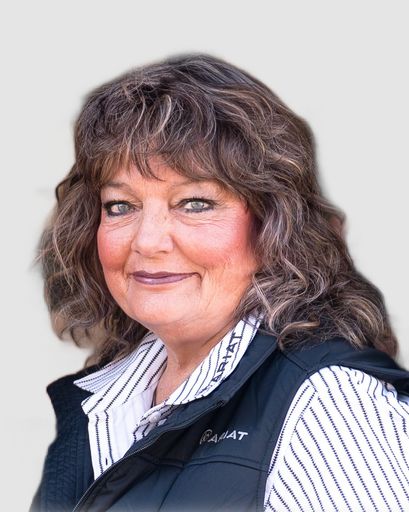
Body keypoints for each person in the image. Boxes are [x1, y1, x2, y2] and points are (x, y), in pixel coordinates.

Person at [31, 54, 409, 512]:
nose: (146, 241)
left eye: (194, 203)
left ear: (273, 225)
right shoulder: (102, 406)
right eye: (120, 206)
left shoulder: (331, 407)